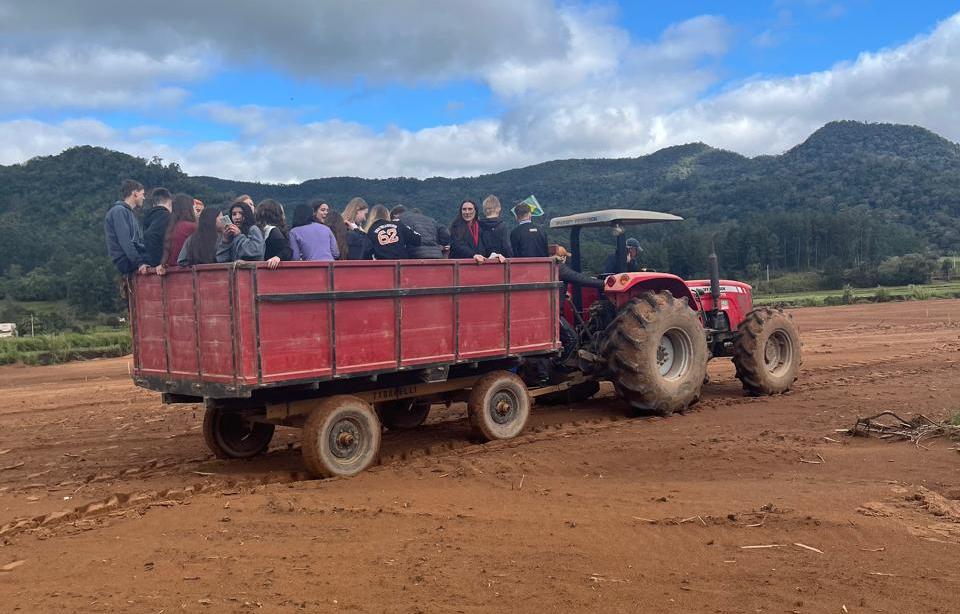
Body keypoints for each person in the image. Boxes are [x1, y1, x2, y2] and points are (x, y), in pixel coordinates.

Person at [104, 179, 148, 275]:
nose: (143, 198)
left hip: (130, 257)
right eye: (142, 194)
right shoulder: (119, 211)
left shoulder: (128, 212)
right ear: (135, 193)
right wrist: (139, 262)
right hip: (125, 259)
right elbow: (125, 240)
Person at [158, 193, 197, 271]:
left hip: (172, 271)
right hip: (187, 271)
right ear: (189, 209)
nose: (196, 211)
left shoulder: (172, 228)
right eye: (194, 208)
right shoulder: (192, 227)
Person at [256, 199, 293, 269]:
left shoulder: (257, 230)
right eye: (282, 213)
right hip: (273, 270)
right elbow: (287, 250)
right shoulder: (273, 231)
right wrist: (278, 257)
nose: (284, 217)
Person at [142, 187, 173, 266]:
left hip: (148, 262)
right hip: (159, 264)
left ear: (154, 204)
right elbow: (150, 234)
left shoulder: (148, 217)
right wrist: (158, 262)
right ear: (169, 202)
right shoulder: (165, 216)